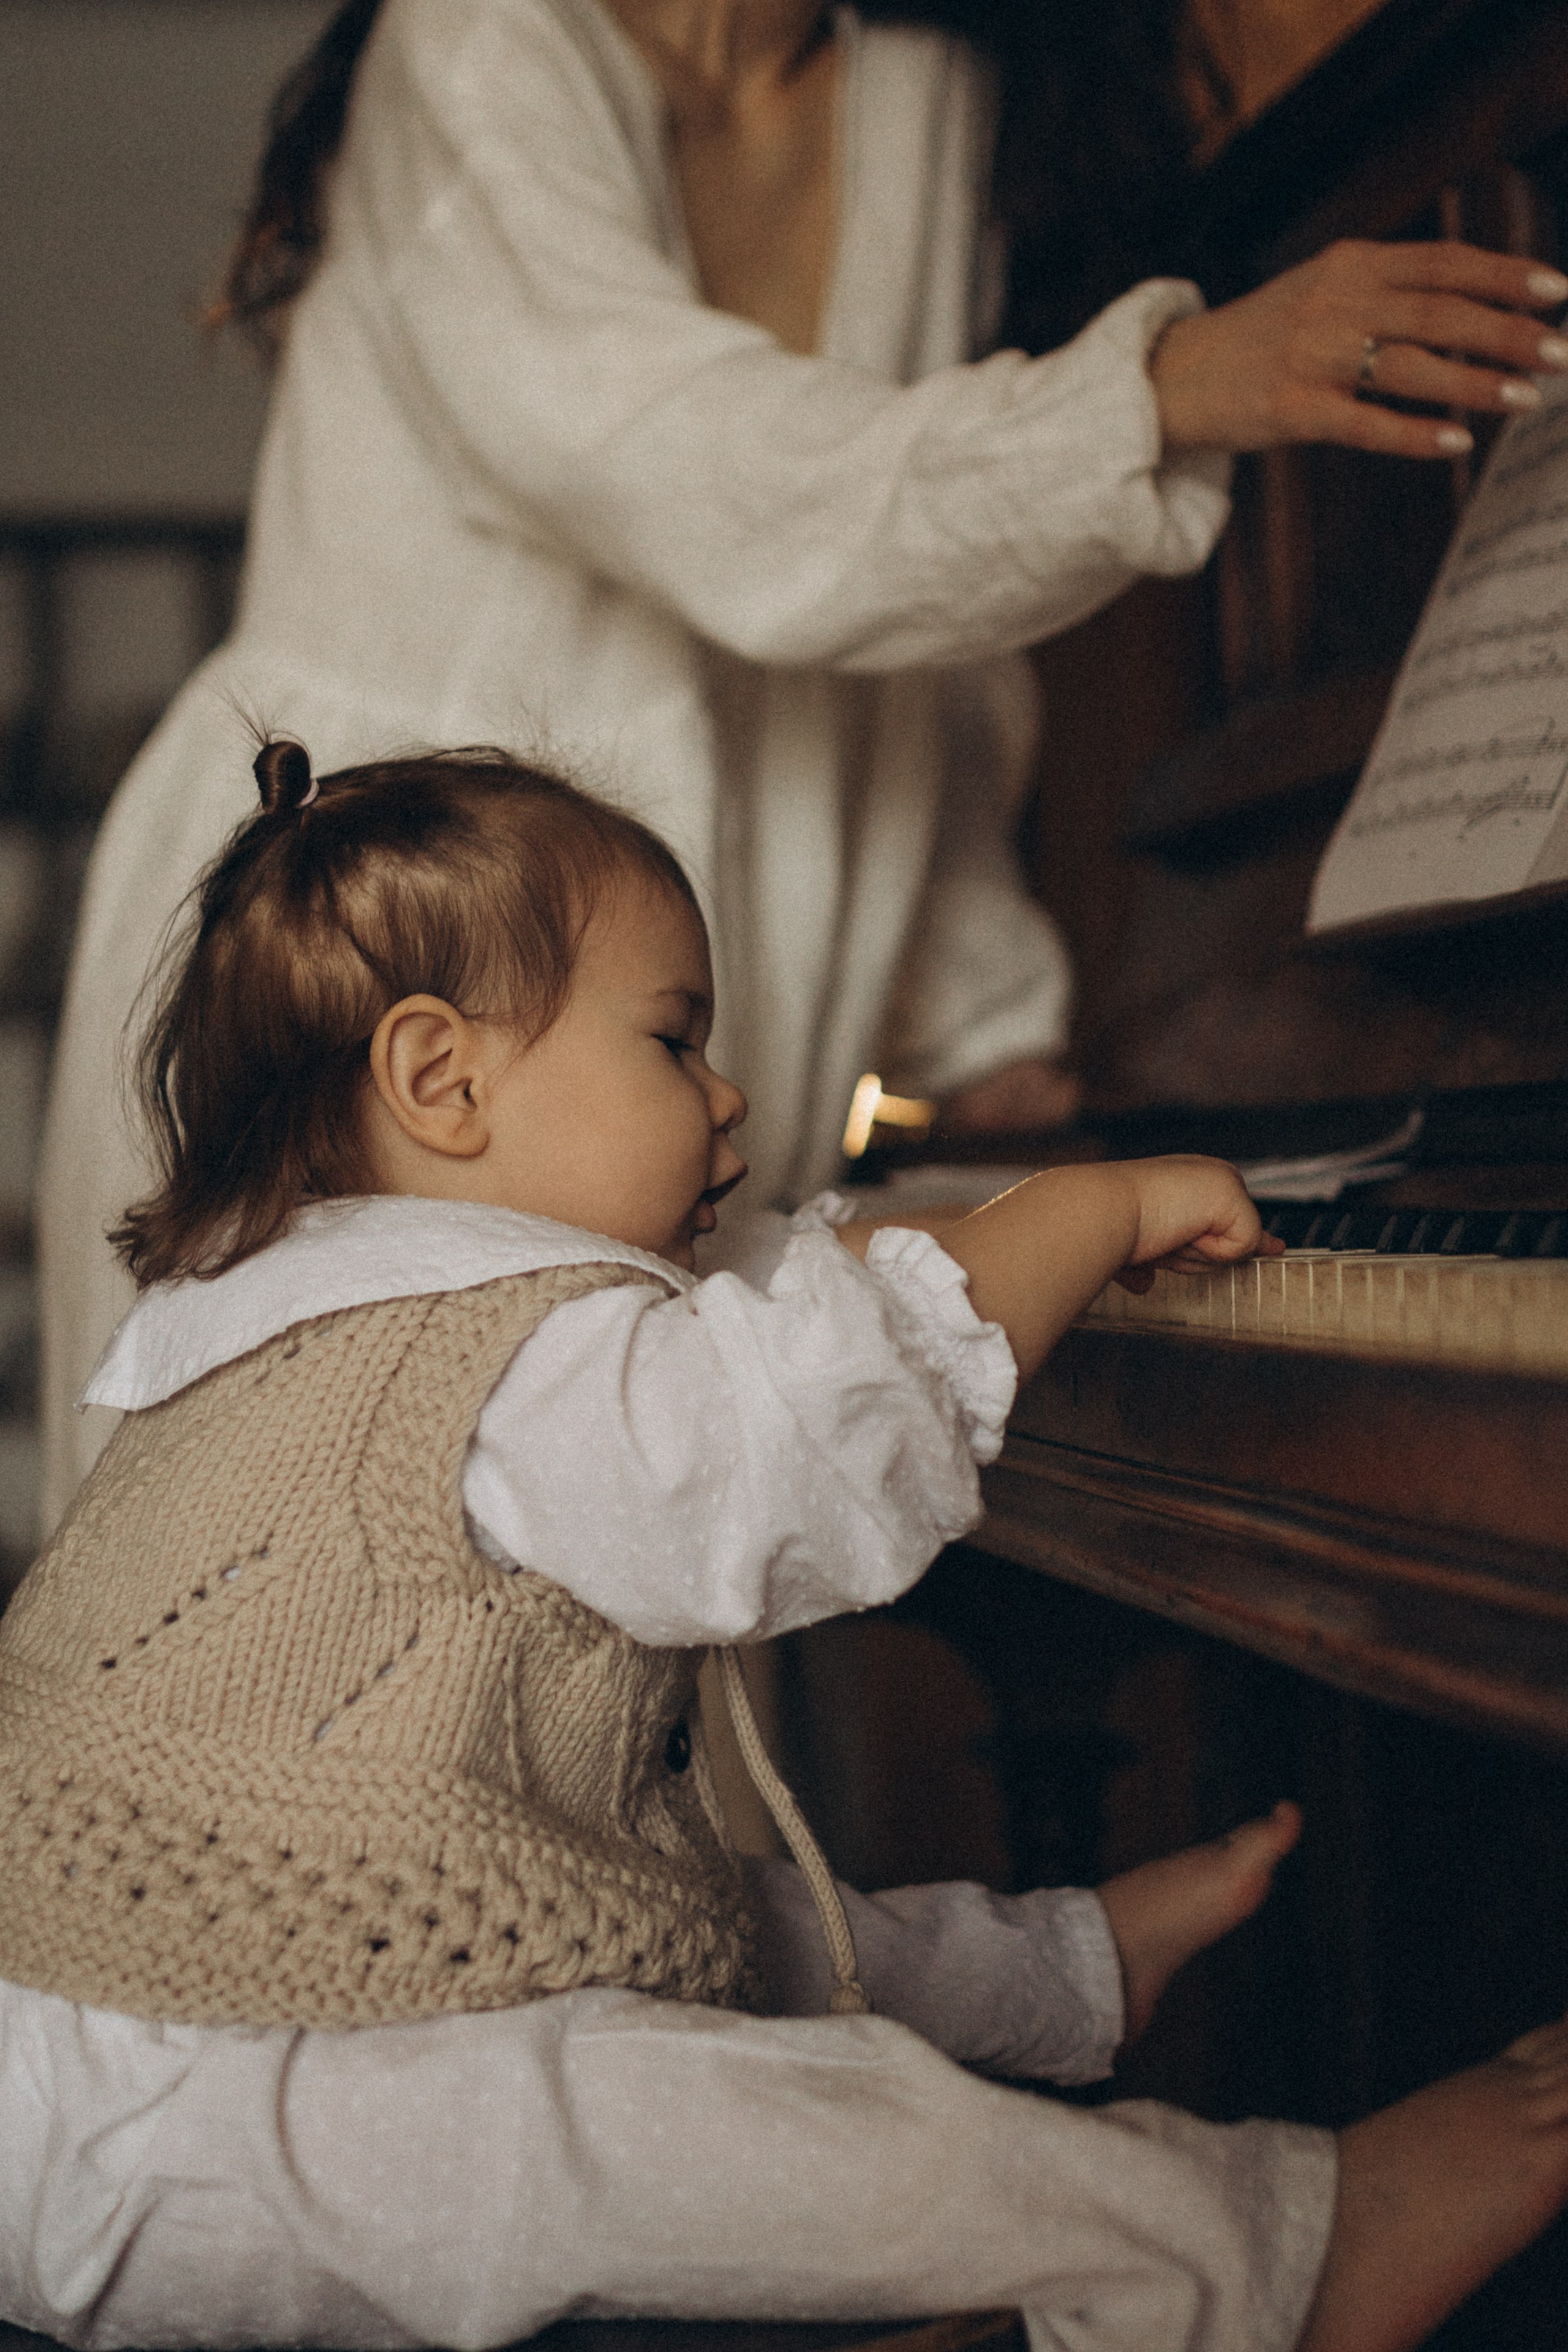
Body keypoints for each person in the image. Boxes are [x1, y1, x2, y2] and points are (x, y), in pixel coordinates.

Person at [5, 741, 1568, 2352]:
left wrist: (956, 1238)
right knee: (809, 2124)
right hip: (210, 2101)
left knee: (681, 1909)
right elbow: (787, 1463)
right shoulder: (502, 1358)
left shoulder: (309, 1304)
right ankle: (1281, 2253)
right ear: (442, 1081)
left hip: (127, 2020)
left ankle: (1060, 1978)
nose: (729, 1090)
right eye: (673, 1039)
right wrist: (1077, 1218)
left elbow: (778, 1285)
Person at [34, 0, 1568, 1523]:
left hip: (679, 983)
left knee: (655, 1547)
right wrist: (1152, 392)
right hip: (345, 961)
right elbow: (677, 466)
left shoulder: (930, 87)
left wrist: (977, 1020)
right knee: (259, 1574)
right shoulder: (478, 38)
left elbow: (907, 637)